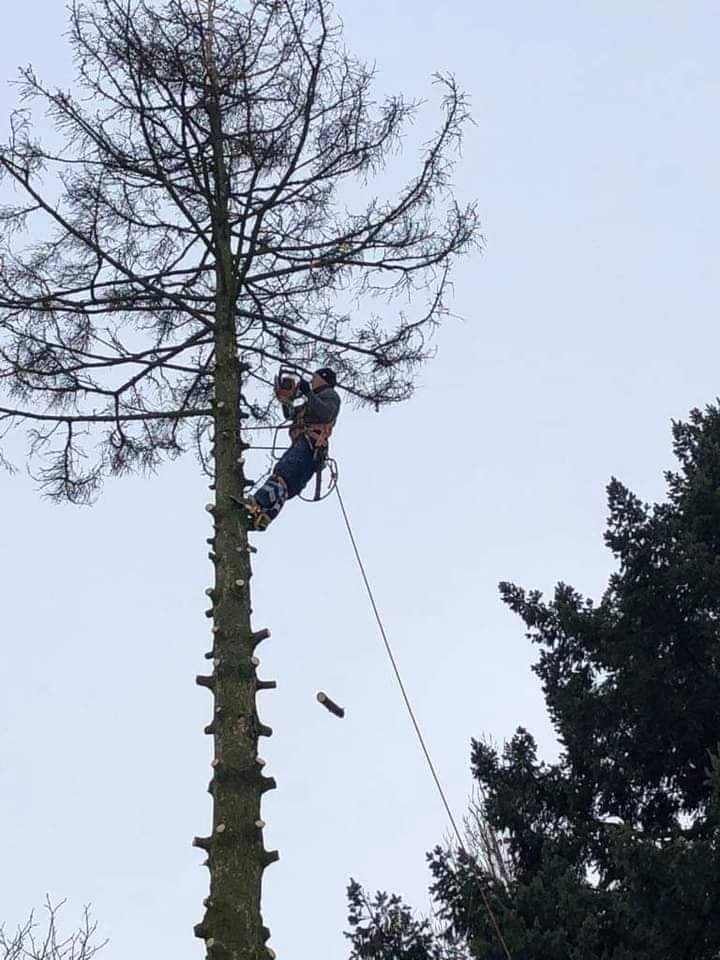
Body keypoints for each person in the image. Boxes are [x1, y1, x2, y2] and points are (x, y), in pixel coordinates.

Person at [245, 367, 340, 530]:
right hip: (307, 447)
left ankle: (258, 501)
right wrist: (286, 401)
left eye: (314, 378)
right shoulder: (311, 402)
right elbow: (290, 415)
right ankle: (264, 516)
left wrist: (308, 393)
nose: (311, 381)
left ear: (323, 379)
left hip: (310, 443)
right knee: (287, 486)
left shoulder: (330, 396)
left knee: (283, 473)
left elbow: (326, 414)